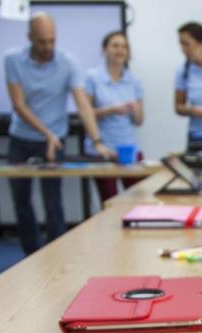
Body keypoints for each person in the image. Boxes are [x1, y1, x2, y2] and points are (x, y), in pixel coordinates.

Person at [4, 12, 112, 255]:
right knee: (21, 200)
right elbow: (19, 105)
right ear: (30, 37)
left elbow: (83, 105)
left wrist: (97, 141)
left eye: (52, 40)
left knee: (53, 200)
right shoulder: (13, 60)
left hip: (56, 138)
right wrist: (47, 134)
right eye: (42, 41)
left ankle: (55, 256)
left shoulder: (68, 62)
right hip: (21, 138)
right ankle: (30, 255)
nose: (48, 47)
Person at [85, 30, 144, 203]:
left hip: (129, 151)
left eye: (124, 46)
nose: (120, 50)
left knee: (136, 201)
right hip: (103, 150)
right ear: (104, 50)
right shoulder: (92, 77)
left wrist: (134, 110)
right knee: (109, 201)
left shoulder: (134, 81)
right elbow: (86, 113)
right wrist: (110, 110)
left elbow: (139, 121)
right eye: (115, 45)